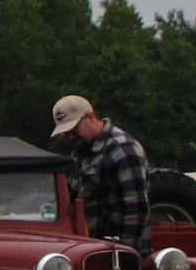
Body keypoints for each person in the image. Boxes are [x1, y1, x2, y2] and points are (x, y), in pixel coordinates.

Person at [51, 95, 150, 251]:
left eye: (73, 130)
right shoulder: (82, 153)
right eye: (65, 133)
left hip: (118, 254)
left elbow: (135, 208)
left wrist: (125, 255)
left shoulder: (122, 149)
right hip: (90, 251)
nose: (70, 137)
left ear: (91, 117)